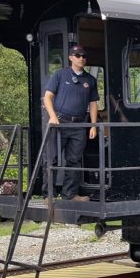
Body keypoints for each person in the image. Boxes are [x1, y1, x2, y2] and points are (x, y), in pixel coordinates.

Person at [43, 45, 99, 201]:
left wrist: (93, 125)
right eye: (78, 55)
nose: (82, 58)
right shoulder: (60, 75)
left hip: (79, 124)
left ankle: (70, 194)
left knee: (74, 160)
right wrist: (52, 116)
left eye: (84, 56)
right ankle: (49, 195)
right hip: (59, 123)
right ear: (71, 57)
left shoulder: (90, 80)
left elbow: (93, 103)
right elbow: (47, 97)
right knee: (51, 158)